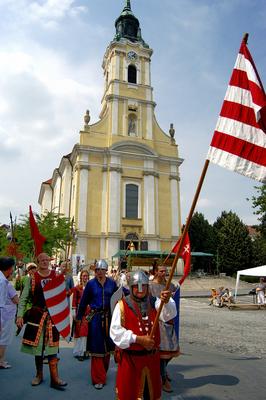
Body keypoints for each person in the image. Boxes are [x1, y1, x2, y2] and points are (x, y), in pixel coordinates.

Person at [110, 270, 177, 400]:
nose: (140, 289)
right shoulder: (122, 306)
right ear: (131, 287)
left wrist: (167, 301)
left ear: (147, 286)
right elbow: (115, 333)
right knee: (130, 395)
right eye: (136, 286)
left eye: (144, 286)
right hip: (131, 363)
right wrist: (138, 339)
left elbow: (169, 314)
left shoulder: (155, 302)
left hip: (151, 362)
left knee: (150, 394)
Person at [16, 253, 67, 390]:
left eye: (46, 260)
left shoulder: (56, 276)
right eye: (42, 260)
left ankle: (55, 379)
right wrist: (20, 315)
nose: (45, 262)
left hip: (53, 317)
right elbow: (24, 299)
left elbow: (62, 297)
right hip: (37, 317)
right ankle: (39, 375)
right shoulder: (32, 279)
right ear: (37, 262)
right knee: (38, 349)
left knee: (52, 348)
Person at [77, 259, 118, 390]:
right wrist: (78, 318)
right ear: (94, 271)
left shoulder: (112, 283)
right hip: (95, 319)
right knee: (96, 348)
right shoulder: (90, 284)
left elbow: (120, 295)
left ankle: (102, 373)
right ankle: (98, 378)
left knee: (107, 348)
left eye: (102, 270)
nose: (99, 272)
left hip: (109, 318)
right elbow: (83, 302)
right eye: (97, 270)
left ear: (106, 271)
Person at [149, 264, 180, 393]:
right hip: (156, 322)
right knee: (161, 352)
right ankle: (163, 379)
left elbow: (174, 301)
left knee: (171, 350)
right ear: (155, 272)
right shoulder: (150, 286)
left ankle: (163, 371)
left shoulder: (170, 286)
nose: (164, 273)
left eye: (165, 271)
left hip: (168, 321)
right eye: (161, 271)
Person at [0, 257, 15, 369]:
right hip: (4, 315)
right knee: (3, 338)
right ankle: (1, 361)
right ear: (9, 269)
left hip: (5, 313)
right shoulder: (3, 282)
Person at [72, 269, 90, 360]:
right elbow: (74, 300)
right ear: (81, 277)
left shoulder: (90, 287)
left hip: (89, 312)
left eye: (86, 276)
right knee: (80, 332)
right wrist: (74, 313)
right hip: (80, 312)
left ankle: (85, 351)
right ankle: (79, 352)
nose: (85, 277)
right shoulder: (77, 288)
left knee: (86, 332)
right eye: (84, 276)